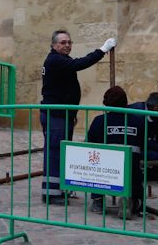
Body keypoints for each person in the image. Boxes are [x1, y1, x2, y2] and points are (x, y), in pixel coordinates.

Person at [40, 30, 115, 205]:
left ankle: (57, 190)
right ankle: (51, 193)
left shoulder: (60, 60)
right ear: (54, 45)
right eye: (63, 42)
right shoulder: (55, 60)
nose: (67, 45)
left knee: (59, 152)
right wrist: (102, 50)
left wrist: (71, 114)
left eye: (69, 42)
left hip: (62, 115)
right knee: (55, 153)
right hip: (56, 115)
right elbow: (80, 64)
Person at [85, 86, 146, 218]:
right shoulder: (138, 120)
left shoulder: (99, 121)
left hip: (106, 173)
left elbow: (89, 144)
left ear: (106, 103)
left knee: (94, 164)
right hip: (130, 171)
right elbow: (143, 144)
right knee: (137, 175)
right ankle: (133, 201)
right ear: (125, 102)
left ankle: (98, 201)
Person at [128, 91, 158, 180]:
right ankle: (149, 174)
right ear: (155, 107)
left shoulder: (153, 111)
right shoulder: (138, 114)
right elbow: (141, 139)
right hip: (133, 145)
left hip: (142, 142)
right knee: (157, 154)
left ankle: (152, 173)